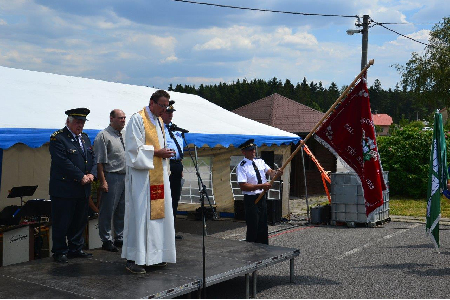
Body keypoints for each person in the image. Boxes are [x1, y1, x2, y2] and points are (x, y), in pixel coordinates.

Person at [122, 90, 176, 274]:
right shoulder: (137, 119)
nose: (164, 110)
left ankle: (154, 256)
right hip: (141, 178)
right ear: (151, 103)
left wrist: (165, 153)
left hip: (158, 176)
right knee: (140, 216)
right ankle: (134, 258)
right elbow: (132, 150)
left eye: (166, 106)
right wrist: (156, 153)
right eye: (162, 106)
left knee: (158, 216)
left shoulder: (159, 121)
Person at [49, 108, 95, 263]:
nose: (80, 125)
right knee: (62, 221)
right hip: (64, 188)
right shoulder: (58, 138)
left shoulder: (86, 138)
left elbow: (92, 158)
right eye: (77, 121)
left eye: (82, 122)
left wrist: (92, 174)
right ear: (68, 121)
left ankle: (76, 248)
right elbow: (62, 162)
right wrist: (79, 176)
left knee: (79, 220)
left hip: (83, 188)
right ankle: (60, 251)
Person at [236, 139, 282, 245]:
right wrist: (261, 186)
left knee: (263, 224)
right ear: (244, 152)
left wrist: (277, 173)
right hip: (251, 199)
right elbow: (243, 186)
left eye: (253, 149)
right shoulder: (242, 166)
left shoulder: (260, 161)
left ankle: (263, 247)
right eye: (250, 150)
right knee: (253, 225)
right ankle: (251, 249)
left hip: (261, 197)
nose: (253, 151)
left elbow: (270, 172)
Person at [94, 109, 127, 252]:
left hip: (125, 175)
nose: (123, 120)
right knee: (108, 210)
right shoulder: (103, 136)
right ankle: (106, 239)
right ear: (111, 119)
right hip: (111, 175)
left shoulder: (125, 135)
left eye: (124, 118)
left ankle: (119, 237)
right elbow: (99, 162)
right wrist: (103, 181)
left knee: (122, 209)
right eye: (120, 118)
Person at [161, 101, 184, 240]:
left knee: (174, 199)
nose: (170, 115)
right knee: (164, 199)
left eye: (171, 113)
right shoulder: (158, 129)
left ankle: (171, 229)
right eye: (168, 112)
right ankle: (162, 230)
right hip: (165, 164)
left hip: (176, 164)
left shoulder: (175, 129)